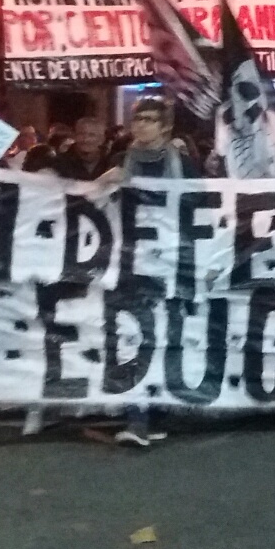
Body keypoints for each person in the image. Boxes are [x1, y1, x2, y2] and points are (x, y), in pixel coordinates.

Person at [98, 101, 198, 448]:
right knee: (134, 334)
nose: (141, 125)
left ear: (164, 127)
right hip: (132, 262)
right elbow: (92, 201)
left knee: (164, 336)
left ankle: (153, 415)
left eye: (149, 120)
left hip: (171, 261)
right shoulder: (119, 161)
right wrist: (102, 183)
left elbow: (198, 205)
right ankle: (137, 418)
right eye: (137, 119)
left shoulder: (184, 165)